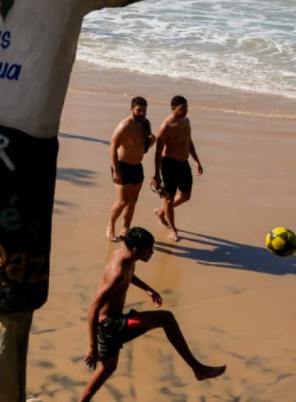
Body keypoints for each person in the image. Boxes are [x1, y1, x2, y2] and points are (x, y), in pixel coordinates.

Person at [78, 228, 225, 401]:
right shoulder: (116, 273)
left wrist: (148, 289)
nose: (152, 252)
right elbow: (93, 309)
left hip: (110, 324)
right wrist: (92, 346)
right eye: (149, 249)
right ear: (136, 250)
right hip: (111, 324)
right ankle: (198, 369)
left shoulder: (124, 256)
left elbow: (129, 274)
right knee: (166, 318)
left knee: (108, 368)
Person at [152, 96, 204, 243]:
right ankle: (173, 229)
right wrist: (156, 174)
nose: (186, 111)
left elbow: (189, 141)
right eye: (182, 109)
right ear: (173, 108)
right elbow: (157, 152)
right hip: (169, 165)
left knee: (186, 196)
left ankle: (162, 212)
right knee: (168, 199)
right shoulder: (166, 126)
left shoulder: (186, 121)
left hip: (184, 163)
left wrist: (197, 161)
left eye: (186, 108)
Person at [106, 96, 153, 242]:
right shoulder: (124, 126)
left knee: (133, 200)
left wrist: (151, 142)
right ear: (131, 109)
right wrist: (115, 170)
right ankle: (110, 226)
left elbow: (143, 148)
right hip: (122, 166)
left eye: (144, 110)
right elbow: (113, 148)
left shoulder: (146, 124)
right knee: (123, 201)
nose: (142, 113)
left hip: (137, 167)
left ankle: (125, 227)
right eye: (139, 110)